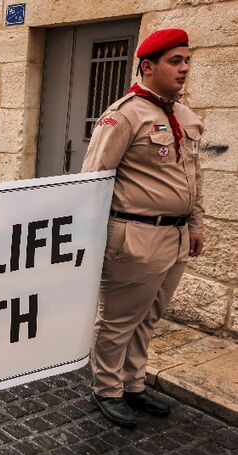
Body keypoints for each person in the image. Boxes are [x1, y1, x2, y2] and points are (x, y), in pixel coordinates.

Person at [82, 28, 204, 428]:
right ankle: (107, 389)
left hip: (176, 235)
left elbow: (194, 176)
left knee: (150, 315)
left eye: (186, 60)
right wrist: (90, 238)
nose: (184, 68)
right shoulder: (124, 115)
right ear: (148, 67)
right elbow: (94, 179)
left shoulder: (185, 118)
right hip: (134, 234)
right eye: (175, 61)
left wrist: (195, 224)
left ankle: (134, 383)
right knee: (119, 318)